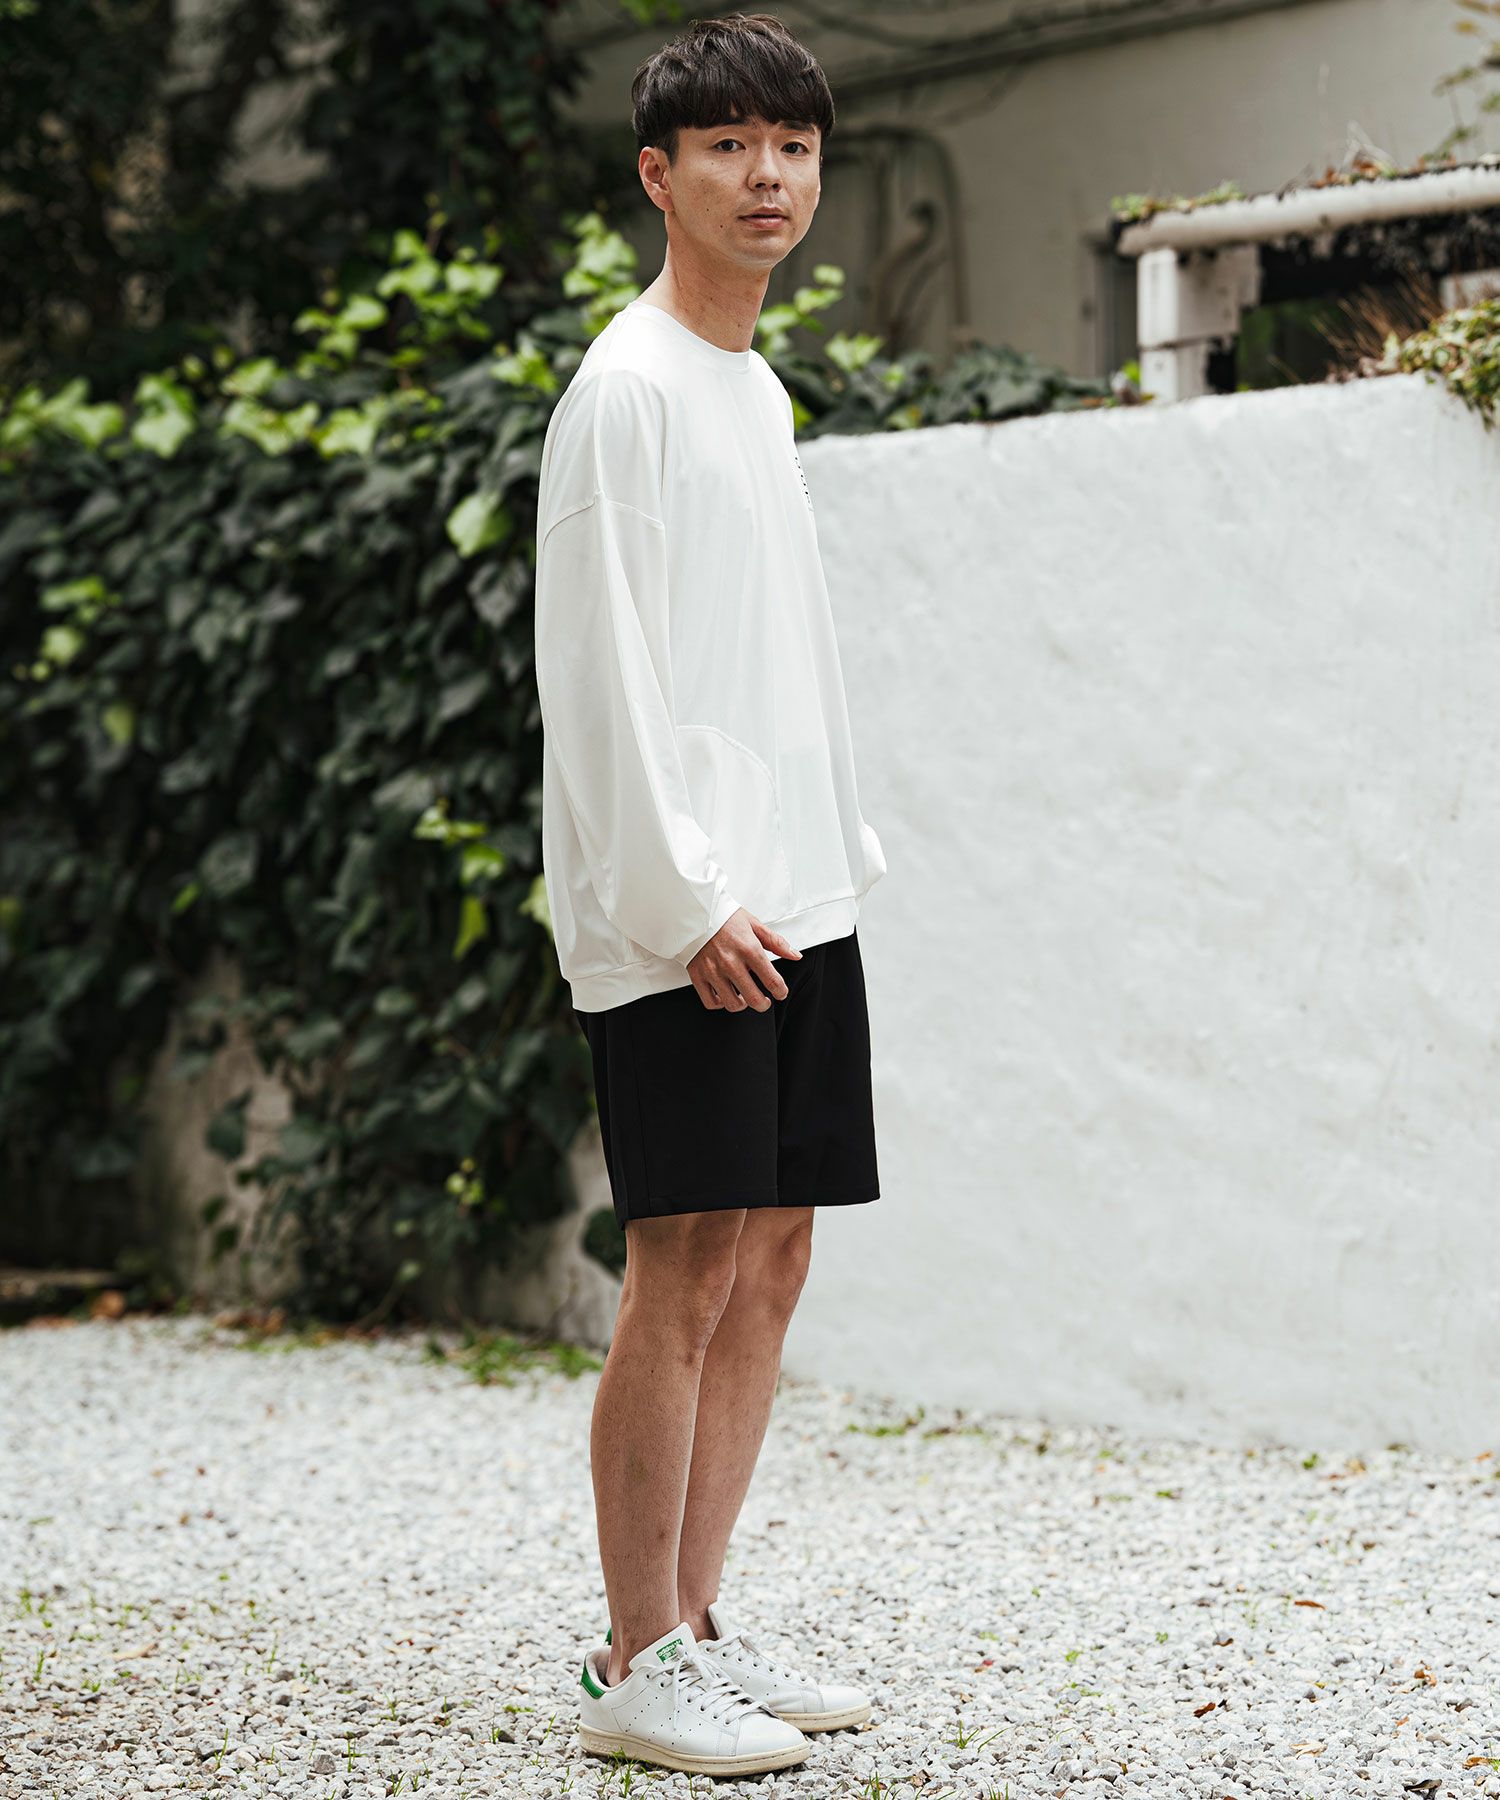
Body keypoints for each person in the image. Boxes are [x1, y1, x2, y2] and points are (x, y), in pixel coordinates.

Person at [532, 11, 887, 1780]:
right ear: (657, 177)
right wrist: (682, 903)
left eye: (794, 147)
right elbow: (601, 678)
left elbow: (775, 655)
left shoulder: (754, 387)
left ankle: (699, 1621)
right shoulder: (628, 393)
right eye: (731, 146)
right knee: (682, 1266)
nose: (769, 176)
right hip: (687, 918)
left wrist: (829, 865)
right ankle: (635, 1657)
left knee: (777, 1256)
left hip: (794, 895)